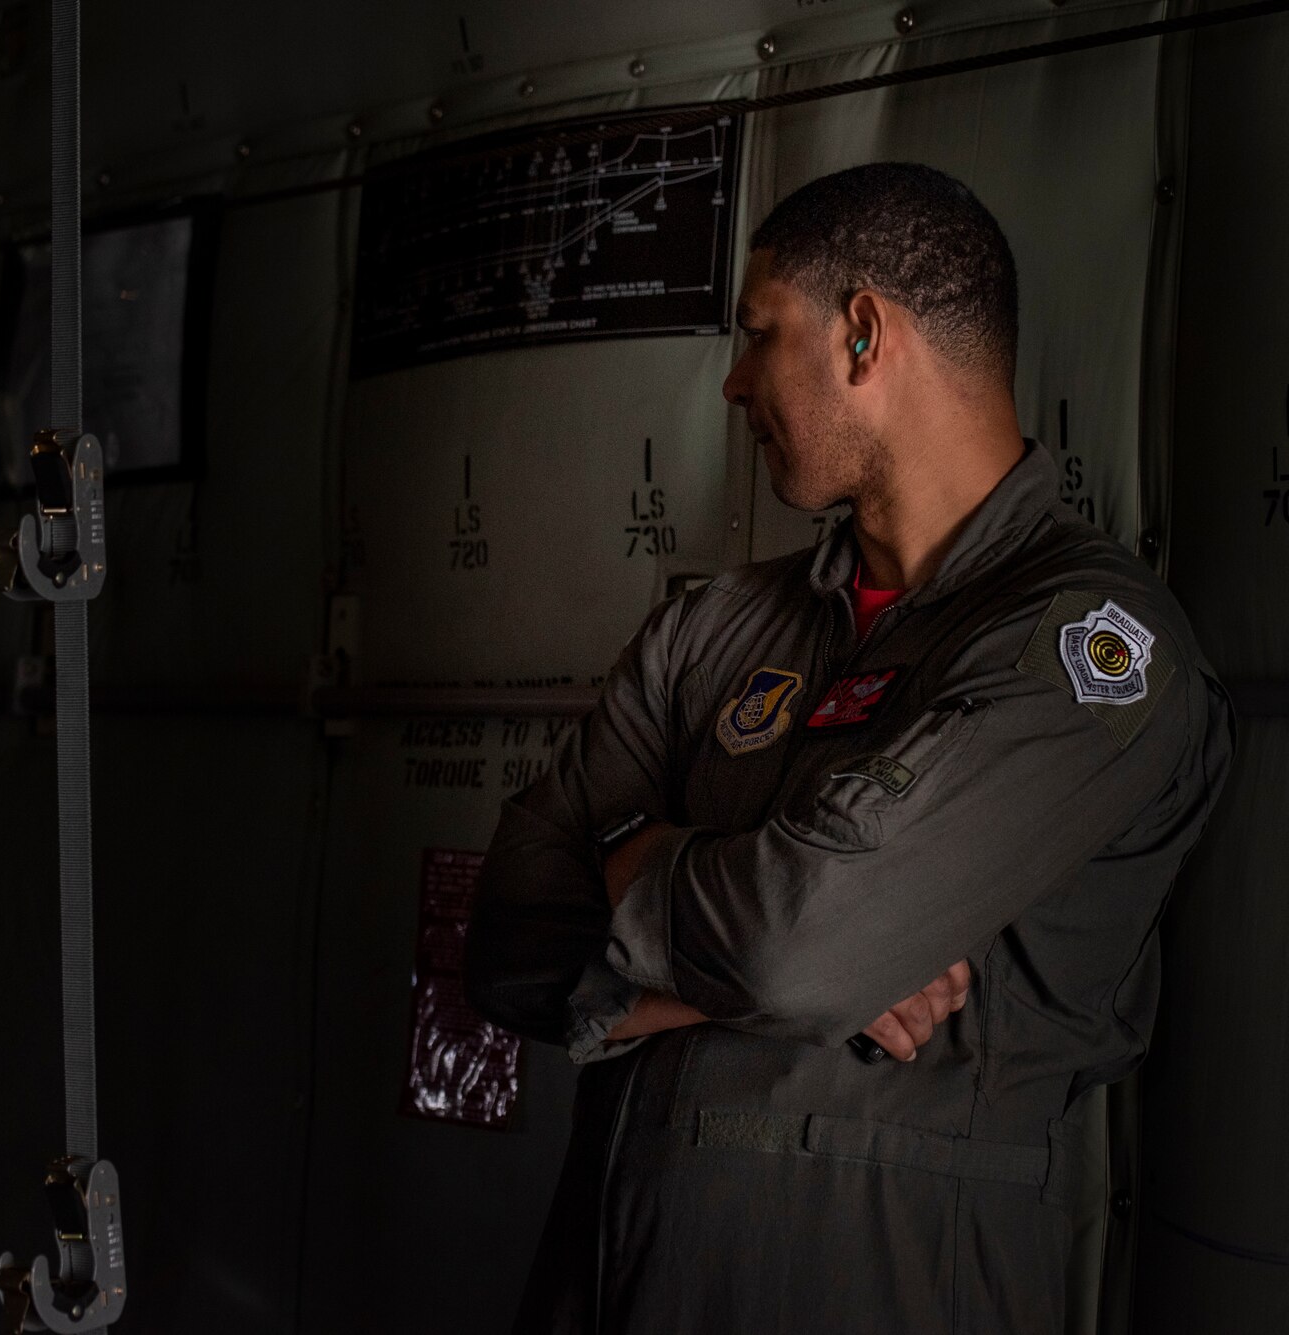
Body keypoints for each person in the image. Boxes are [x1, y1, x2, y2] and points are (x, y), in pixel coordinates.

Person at [463, 162, 1234, 1333]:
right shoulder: (712, 627)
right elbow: (508, 938)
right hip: (607, 1288)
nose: (730, 383)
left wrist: (642, 879)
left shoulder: (1089, 644)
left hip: (881, 1287)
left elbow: (791, 948)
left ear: (862, 334)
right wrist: (781, 951)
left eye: (757, 333)